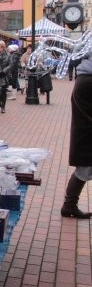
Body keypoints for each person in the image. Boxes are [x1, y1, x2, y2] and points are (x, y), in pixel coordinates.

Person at [62, 43, 92, 219]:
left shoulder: (85, 77)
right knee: (84, 170)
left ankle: (69, 205)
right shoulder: (88, 80)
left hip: (85, 134)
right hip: (87, 134)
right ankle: (69, 205)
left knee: (84, 170)